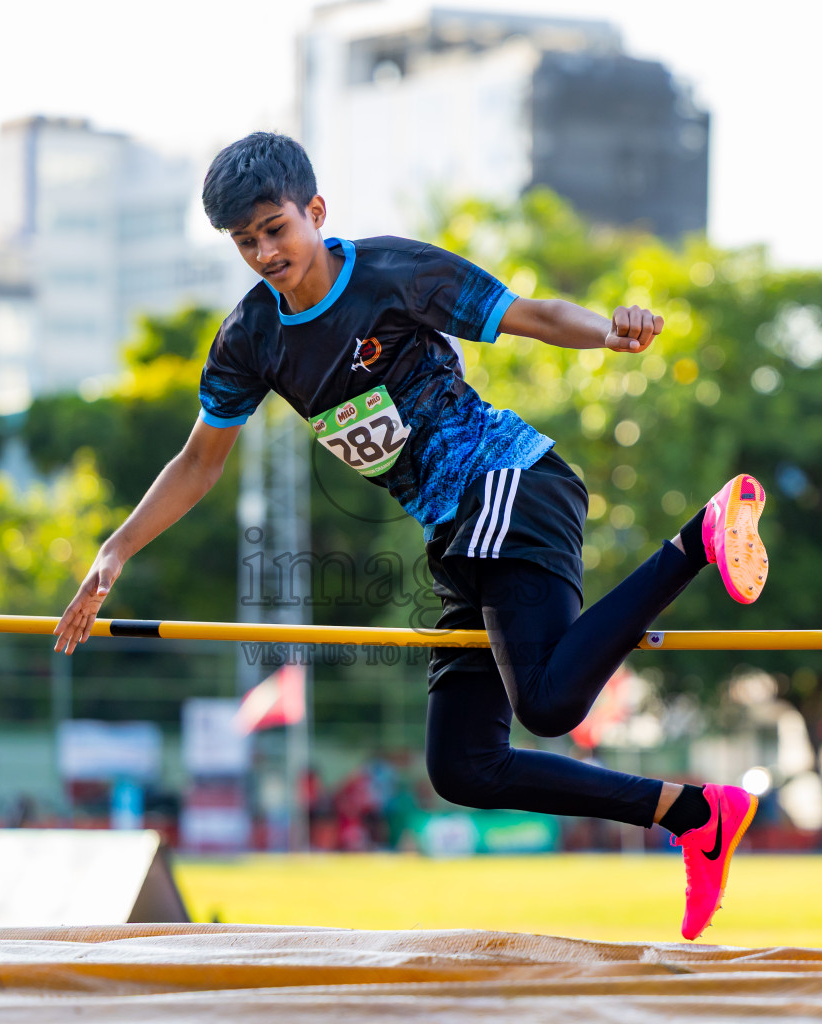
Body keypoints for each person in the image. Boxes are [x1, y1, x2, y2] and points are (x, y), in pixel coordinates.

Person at [55, 132, 769, 941]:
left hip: (508, 483)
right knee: (465, 766)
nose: (263, 252)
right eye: (244, 241)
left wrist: (609, 331)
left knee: (549, 702)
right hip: (457, 529)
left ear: (315, 212)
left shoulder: (394, 274)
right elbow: (196, 462)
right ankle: (696, 815)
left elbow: (528, 314)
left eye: (274, 228)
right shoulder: (251, 338)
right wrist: (114, 551)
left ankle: (698, 541)